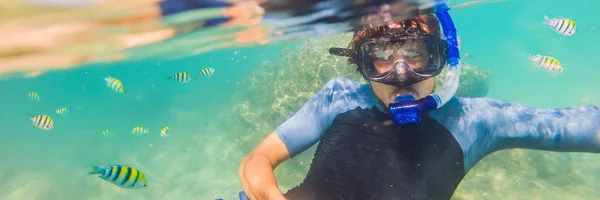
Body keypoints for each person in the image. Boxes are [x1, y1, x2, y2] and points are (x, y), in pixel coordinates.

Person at [238, 2, 600, 200]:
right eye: (382, 55)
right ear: (362, 64)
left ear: (444, 58)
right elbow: (257, 161)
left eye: (416, 53)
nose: (401, 74)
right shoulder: (339, 96)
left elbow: (581, 127)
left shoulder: (476, 121)